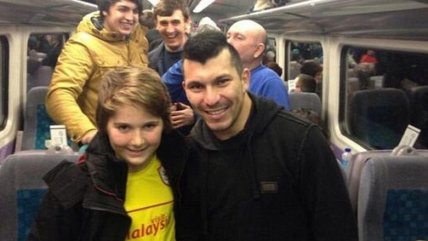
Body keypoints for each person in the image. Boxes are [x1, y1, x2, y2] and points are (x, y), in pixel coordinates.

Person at [177, 29, 358, 241]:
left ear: (245, 79)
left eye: (222, 82)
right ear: (185, 89)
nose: (211, 99)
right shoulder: (187, 155)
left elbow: (336, 230)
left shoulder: (301, 142)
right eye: (197, 86)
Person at [28, 67, 187, 241]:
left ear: (164, 124)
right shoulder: (74, 187)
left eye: (149, 126)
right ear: (104, 127)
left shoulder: (180, 163)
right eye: (123, 127)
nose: (137, 141)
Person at [45, 0, 149, 145]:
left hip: (139, 135)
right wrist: (88, 133)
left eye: (135, 11)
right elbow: (58, 95)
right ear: (105, 10)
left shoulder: (137, 41)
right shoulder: (83, 45)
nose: (130, 17)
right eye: (123, 9)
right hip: (106, 140)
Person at [163, 19, 290, 110]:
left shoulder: (269, 81)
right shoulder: (219, 72)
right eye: (228, 36)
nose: (228, 42)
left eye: (238, 37)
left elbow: (278, 129)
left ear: (258, 50)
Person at [149, 0, 191, 76]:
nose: (170, 30)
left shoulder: (207, 54)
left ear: (187, 23)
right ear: (156, 25)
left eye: (175, 22)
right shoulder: (150, 60)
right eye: (163, 23)